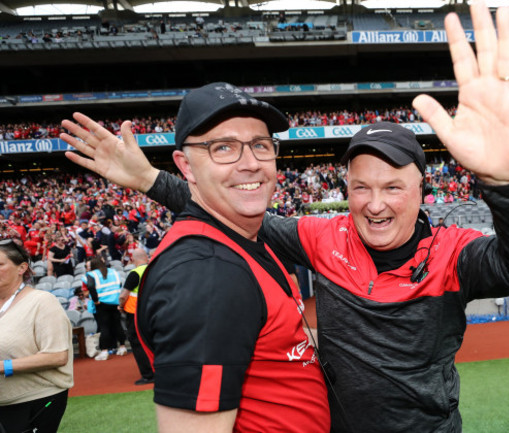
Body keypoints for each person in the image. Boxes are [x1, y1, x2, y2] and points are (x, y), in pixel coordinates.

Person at [61, 2, 509, 431]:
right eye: (360, 186)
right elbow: (239, 214)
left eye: (392, 187)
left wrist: (507, 180)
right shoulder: (324, 236)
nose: (375, 202)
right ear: (345, 190)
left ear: (421, 190)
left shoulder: (453, 252)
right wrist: (149, 179)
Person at [63, 83, 330, 432]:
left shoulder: (245, 239)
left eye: (261, 145)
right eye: (223, 148)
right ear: (185, 166)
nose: (250, 164)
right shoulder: (207, 276)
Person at [0, 239, 73, 433]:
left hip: (36, 400)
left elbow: (57, 356)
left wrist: (3, 366)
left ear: (21, 268)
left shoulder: (42, 302)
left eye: (0, 264)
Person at [118, 248, 154, 385]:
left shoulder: (134, 273)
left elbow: (123, 296)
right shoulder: (154, 270)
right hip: (153, 312)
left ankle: (148, 375)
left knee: (137, 343)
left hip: (135, 313)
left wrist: (121, 306)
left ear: (132, 259)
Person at [82, 256, 128, 361]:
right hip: (115, 302)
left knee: (104, 327)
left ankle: (104, 351)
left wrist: (95, 300)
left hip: (102, 303)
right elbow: (119, 284)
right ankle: (122, 347)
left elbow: (90, 286)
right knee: (117, 325)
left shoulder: (91, 274)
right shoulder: (113, 272)